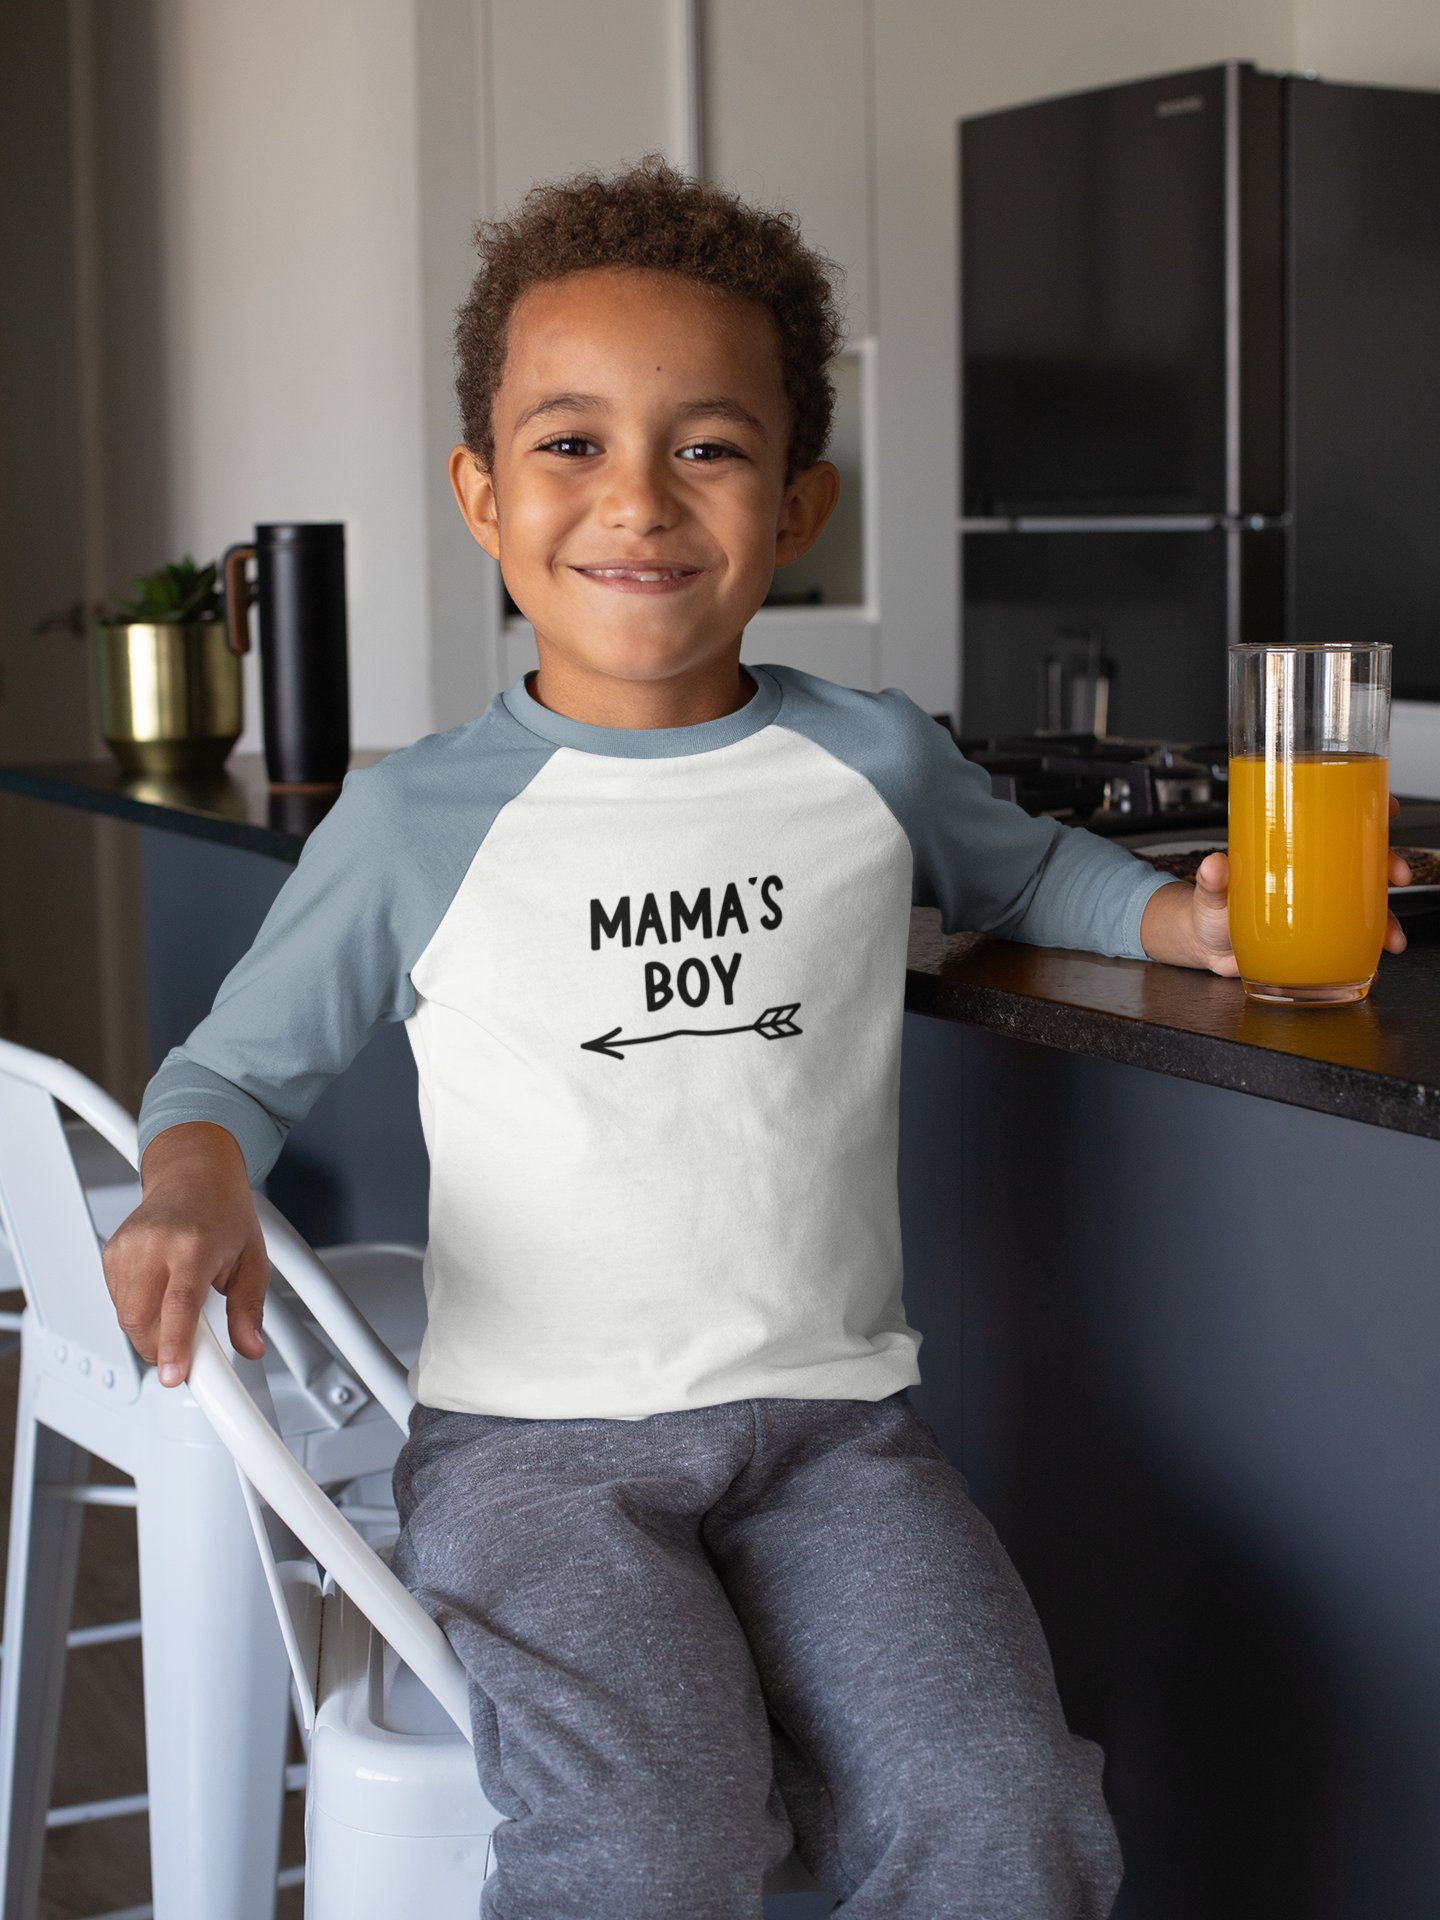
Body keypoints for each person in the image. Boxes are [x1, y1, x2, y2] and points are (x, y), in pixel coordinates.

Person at [102, 160, 1409, 1919]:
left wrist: (1190, 918)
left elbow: (1028, 874)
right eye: (571, 444)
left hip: (837, 1439)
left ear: (799, 506)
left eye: (706, 446)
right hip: (534, 1457)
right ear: (481, 497)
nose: (636, 497)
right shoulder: (415, 817)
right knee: (656, 1849)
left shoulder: (871, 758)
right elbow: (234, 1071)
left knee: (1008, 1810)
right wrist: (191, 1176)